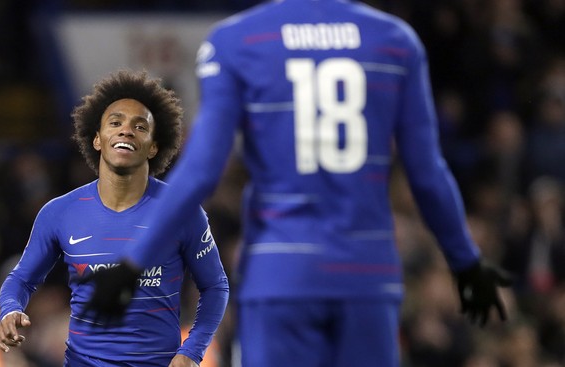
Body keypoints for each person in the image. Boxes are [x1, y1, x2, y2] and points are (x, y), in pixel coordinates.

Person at [84, 2, 512, 366]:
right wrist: (465, 262)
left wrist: (136, 259)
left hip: (281, 274)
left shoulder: (238, 40)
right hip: (366, 276)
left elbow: (201, 171)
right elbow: (427, 174)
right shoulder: (394, 40)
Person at [0, 70, 229, 367]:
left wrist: (192, 350)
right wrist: (10, 309)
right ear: (97, 139)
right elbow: (21, 279)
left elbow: (215, 286)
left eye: (140, 126)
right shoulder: (59, 212)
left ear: (154, 146)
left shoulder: (182, 211)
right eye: (115, 122)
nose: (126, 130)